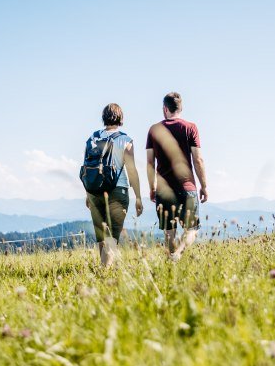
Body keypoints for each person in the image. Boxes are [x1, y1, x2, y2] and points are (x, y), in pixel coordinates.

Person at [146, 92, 208, 260]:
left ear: (165, 109)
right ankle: (179, 253)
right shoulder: (190, 128)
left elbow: (150, 163)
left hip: (164, 190)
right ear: (181, 108)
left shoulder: (154, 130)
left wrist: (152, 188)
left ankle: (173, 259)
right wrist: (204, 186)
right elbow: (198, 159)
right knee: (191, 229)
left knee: (169, 232)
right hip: (187, 188)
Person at [85, 103, 143, 266]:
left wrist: (88, 193)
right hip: (118, 191)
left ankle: (103, 268)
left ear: (104, 118)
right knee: (111, 238)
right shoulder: (125, 140)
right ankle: (104, 275)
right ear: (121, 118)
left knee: (102, 236)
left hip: (94, 191)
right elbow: (132, 171)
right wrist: (138, 197)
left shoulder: (92, 138)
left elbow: (89, 167)